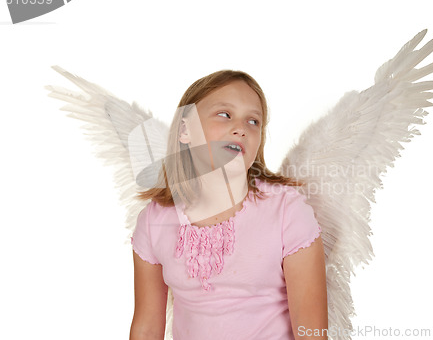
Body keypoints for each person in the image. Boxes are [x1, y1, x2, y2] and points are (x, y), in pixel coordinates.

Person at [129, 70, 328, 340]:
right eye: (225, 114)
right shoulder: (154, 221)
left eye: (253, 121)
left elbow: (312, 332)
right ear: (186, 130)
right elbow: (146, 327)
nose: (241, 128)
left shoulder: (286, 211)